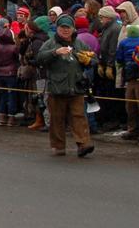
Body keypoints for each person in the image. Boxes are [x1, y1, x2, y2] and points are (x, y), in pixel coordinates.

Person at [34, 15, 95, 157]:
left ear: (73, 28)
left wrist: (88, 60)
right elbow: (39, 59)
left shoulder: (79, 44)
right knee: (57, 118)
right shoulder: (50, 43)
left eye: (68, 27)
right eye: (62, 27)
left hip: (76, 86)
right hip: (56, 88)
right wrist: (55, 53)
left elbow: (93, 59)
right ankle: (58, 146)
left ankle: (84, 144)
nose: (66, 30)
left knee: (79, 116)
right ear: (58, 28)